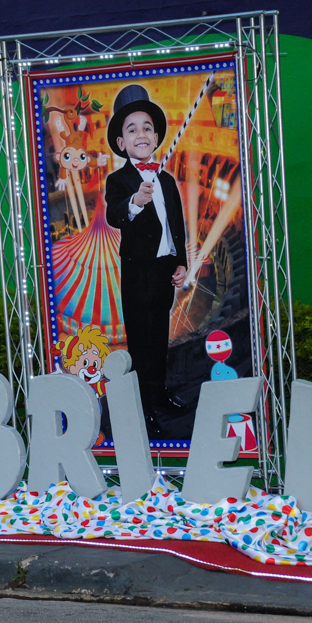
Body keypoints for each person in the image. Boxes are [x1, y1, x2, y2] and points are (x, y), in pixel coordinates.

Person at [103, 84, 189, 436]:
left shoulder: (166, 180)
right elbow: (113, 214)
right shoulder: (118, 180)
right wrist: (135, 201)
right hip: (138, 276)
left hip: (164, 273)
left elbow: (176, 225)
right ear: (121, 142)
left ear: (155, 137)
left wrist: (181, 262)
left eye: (147, 127)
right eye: (132, 129)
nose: (141, 134)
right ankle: (143, 407)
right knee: (141, 344)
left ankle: (159, 394)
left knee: (159, 339)